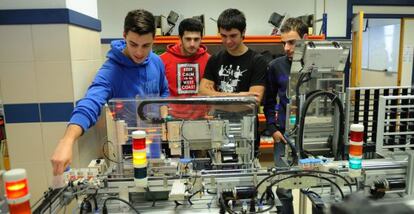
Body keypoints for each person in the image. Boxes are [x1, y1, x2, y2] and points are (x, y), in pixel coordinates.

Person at [51, 9, 169, 176]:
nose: (139, 53)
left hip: (155, 144)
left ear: (154, 40)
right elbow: (90, 103)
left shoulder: (157, 62)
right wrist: (67, 141)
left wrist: (162, 119)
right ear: (124, 36)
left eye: (146, 46)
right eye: (133, 44)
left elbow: (164, 91)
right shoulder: (112, 70)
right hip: (126, 149)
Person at [199, 8, 267, 154]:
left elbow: (253, 101)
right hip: (219, 131)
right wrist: (240, 97)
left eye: (233, 35)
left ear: (243, 33)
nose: (228, 41)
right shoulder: (215, 59)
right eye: (223, 35)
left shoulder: (257, 61)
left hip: (246, 132)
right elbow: (203, 93)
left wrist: (217, 99)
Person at [263, 17, 308, 214]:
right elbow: (269, 101)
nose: (287, 48)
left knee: (317, 184)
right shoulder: (276, 66)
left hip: (312, 136)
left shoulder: (318, 64)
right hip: (283, 135)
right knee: (284, 186)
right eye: (284, 43)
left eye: (292, 42)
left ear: (305, 39)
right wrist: (273, 129)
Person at [160, 18, 210, 118]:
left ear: (201, 38)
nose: (192, 44)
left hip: (201, 120)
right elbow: (160, 93)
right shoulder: (162, 60)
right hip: (172, 120)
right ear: (180, 38)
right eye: (188, 39)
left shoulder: (209, 60)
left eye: (196, 39)